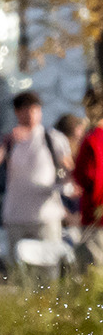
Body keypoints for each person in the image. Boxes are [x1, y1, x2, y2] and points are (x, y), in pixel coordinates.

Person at [0, 90, 71, 259]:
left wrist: (67, 186)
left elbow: (69, 167)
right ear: (17, 112)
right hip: (16, 217)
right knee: (19, 270)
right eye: (26, 110)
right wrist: (7, 141)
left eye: (35, 110)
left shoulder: (53, 138)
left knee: (48, 267)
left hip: (46, 215)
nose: (31, 115)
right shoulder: (9, 140)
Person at [72, 89, 103, 268]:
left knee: (94, 268)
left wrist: (97, 207)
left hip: (95, 214)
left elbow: (95, 178)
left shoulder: (93, 139)